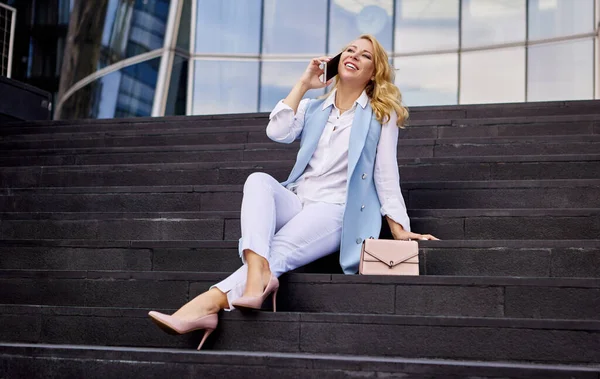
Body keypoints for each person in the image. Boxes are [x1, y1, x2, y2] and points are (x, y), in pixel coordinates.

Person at [148, 34, 439, 350]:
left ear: (373, 72)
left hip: (336, 208)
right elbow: (277, 131)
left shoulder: (381, 115)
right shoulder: (314, 108)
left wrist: (399, 227)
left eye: (365, 55)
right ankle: (258, 277)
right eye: (350, 50)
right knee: (258, 180)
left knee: (282, 248)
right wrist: (303, 84)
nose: (354, 55)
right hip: (299, 198)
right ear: (338, 60)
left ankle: (207, 305)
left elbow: (385, 174)